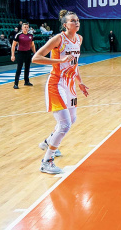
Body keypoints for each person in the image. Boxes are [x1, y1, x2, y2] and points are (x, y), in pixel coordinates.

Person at [32, 9, 89, 174]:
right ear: (65, 25)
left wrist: (80, 82)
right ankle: (46, 162)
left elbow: (74, 64)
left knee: (72, 119)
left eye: (77, 20)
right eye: (72, 20)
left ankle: (47, 142)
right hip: (56, 84)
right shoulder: (58, 39)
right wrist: (59, 60)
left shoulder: (79, 39)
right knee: (64, 125)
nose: (76, 22)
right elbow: (36, 58)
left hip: (70, 85)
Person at [11, 22, 36, 89]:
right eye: (25, 27)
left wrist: (35, 53)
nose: (26, 28)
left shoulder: (31, 35)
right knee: (19, 68)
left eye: (27, 27)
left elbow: (32, 45)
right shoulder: (18, 35)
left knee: (27, 68)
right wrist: (12, 55)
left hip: (28, 52)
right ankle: (16, 84)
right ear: (22, 28)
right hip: (20, 53)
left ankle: (26, 81)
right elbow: (13, 45)